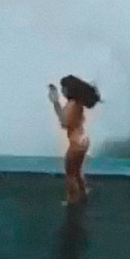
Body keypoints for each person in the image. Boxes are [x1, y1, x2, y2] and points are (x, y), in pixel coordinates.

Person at [48, 75, 101, 204]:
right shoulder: (77, 104)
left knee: (70, 173)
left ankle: (72, 199)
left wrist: (55, 102)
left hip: (76, 143)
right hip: (82, 140)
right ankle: (82, 193)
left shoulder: (72, 105)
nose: (62, 91)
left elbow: (64, 122)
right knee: (77, 171)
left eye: (63, 88)